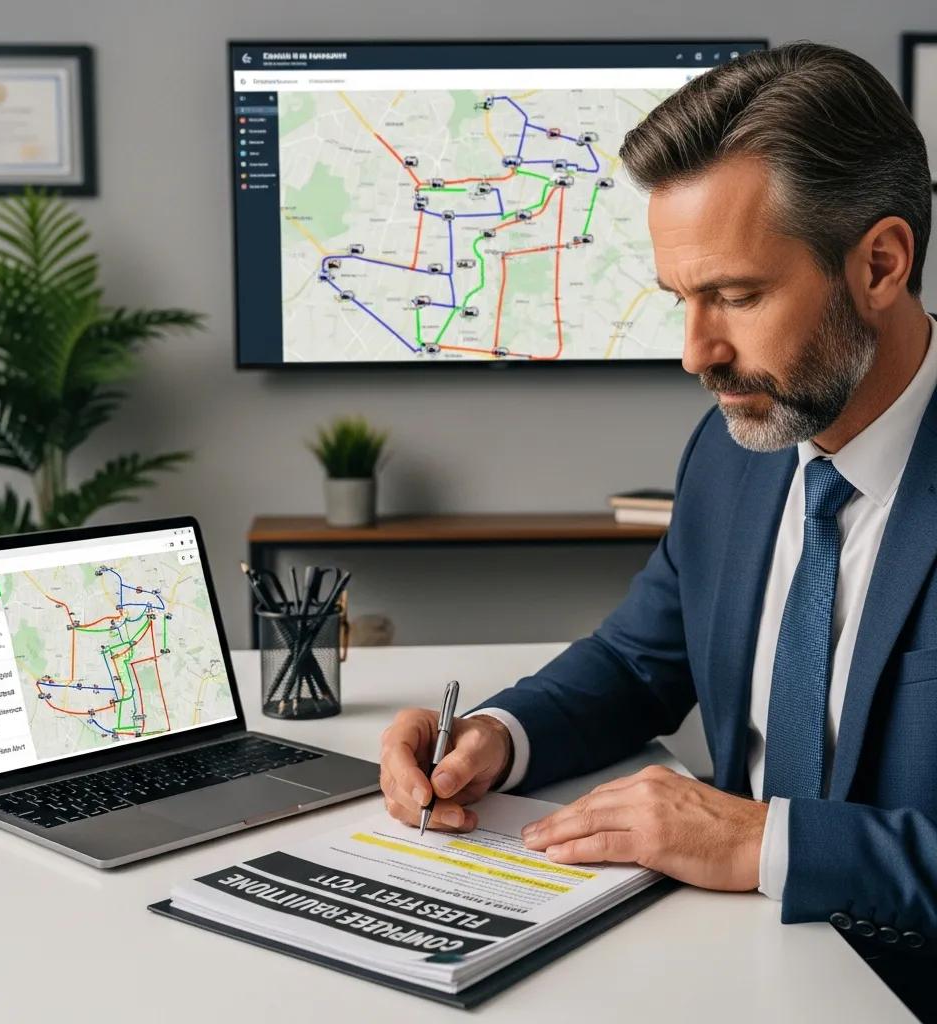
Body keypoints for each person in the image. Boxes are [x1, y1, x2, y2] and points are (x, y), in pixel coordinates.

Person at [379, 40, 937, 1012]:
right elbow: (637, 662)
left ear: (881, 263)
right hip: (727, 966)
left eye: (737, 295)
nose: (694, 353)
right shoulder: (731, 452)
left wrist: (757, 839)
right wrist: (496, 737)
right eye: (683, 299)